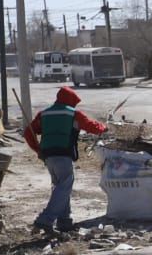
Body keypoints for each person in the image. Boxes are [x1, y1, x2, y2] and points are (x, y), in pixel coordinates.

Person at [22, 85, 107, 233]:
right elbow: (91, 126)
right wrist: (103, 128)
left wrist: (38, 150)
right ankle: (45, 219)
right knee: (64, 186)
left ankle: (64, 221)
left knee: (60, 187)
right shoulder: (73, 113)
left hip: (48, 156)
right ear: (71, 100)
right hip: (63, 154)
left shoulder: (44, 114)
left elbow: (28, 133)